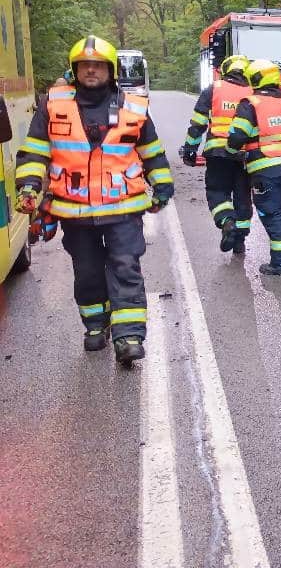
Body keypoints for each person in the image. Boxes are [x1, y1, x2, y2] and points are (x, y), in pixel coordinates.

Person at [14, 36, 174, 364]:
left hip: (123, 209)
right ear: (74, 69)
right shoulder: (52, 105)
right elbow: (34, 152)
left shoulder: (133, 107)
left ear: (110, 70)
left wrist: (162, 186)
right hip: (74, 211)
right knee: (87, 271)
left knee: (125, 266)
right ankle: (95, 325)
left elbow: (152, 153)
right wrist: (29, 186)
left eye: (98, 65)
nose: (91, 70)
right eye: (85, 65)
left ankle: (128, 336)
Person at [225, 59, 281, 277]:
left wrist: (230, 150)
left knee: (271, 212)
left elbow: (237, 137)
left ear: (255, 79)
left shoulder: (251, 104)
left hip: (266, 168)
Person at [179, 54, 254, 253]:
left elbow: (198, 125)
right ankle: (240, 240)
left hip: (218, 153)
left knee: (217, 191)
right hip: (245, 155)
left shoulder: (214, 89)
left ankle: (227, 221)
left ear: (226, 70)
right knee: (243, 196)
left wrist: (190, 150)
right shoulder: (254, 92)